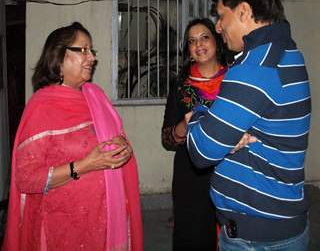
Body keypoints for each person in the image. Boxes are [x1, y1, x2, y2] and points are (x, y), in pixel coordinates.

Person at [187, 0, 311, 251]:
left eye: (222, 16)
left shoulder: (254, 69)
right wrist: (229, 134)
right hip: (283, 224)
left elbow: (201, 150)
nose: (219, 27)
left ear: (243, 12)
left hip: (257, 238)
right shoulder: (289, 53)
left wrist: (198, 114)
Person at [2, 22, 143, 251]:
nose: (92, 58)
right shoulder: (42, 106)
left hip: (104, 220)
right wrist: (85, 165)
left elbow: (114, 139)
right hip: (62, 226)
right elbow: (26, 178)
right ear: (59, 57)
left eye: (92, 50)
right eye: (83, 50)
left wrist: (123, 147)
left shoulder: (95, 96)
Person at [161, 18, 228, 250]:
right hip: (192, 174)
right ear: (188, 50)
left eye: (204, 37)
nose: (198, 44)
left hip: (232, 169)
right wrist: (182, 126)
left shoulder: (235, 80)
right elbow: (167, 139)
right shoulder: (181, 86)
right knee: (193, 236)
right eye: (192, 41)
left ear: (217, 42)